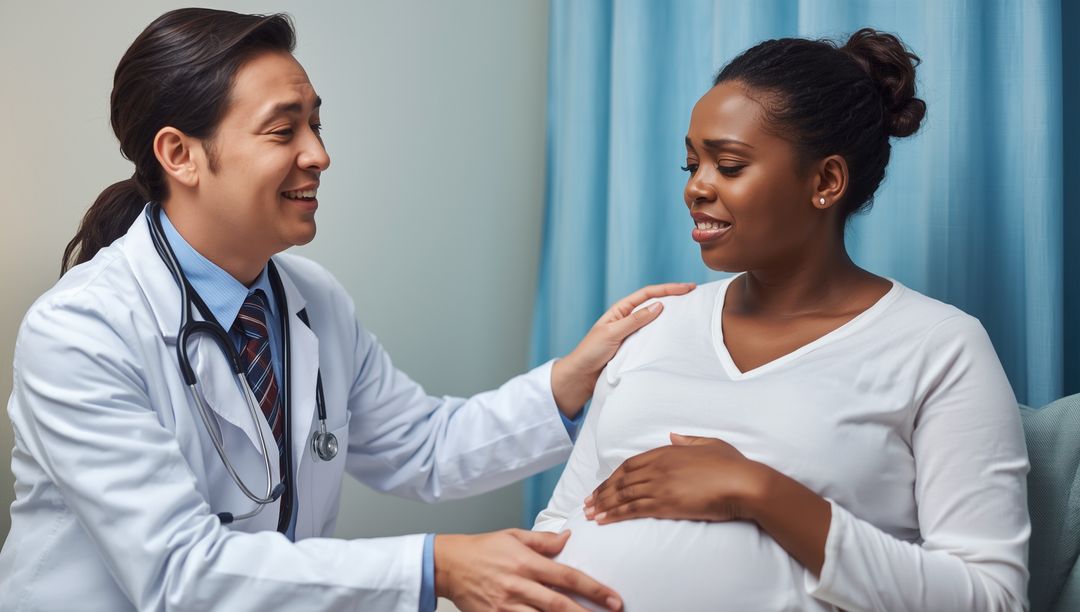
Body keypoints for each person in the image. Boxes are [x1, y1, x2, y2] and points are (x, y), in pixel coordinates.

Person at [0, 9, 695, 612]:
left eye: (317, 124)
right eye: (283, 132)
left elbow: (425, 448)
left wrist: (573, 377)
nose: (320, 155)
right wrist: (437, 567)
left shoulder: (313, 301)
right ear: (180, 154)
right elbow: (181, 572)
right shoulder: (82, 332)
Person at [534, 29, 1030, 611]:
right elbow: (560, 524)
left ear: (825, 182)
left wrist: (761, 491)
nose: (697, 186)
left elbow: (993, 599)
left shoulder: (940, 346)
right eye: (692, 163)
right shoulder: (654, 325)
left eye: (730, 165)